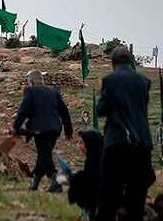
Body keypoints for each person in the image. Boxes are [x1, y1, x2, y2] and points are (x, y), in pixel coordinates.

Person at [95, 47, 154, 221]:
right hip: (142, 141)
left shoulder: (110, 80)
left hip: (118, 142)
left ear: (113, 63)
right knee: (137, 192)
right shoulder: (145, 81)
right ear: (131, 61)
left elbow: (101, 110)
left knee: (110, 188)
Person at [12, 69, 73, 192]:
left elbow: (24, 109)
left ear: (33, 81)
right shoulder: (54, 92)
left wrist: (15, 127)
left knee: (44, 155)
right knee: (43, 154)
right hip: (55, 128)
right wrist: (68, 130)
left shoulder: (30, 91)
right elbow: (64, 110)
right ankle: (34, 183)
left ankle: (55, 180)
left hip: (40, 129)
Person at [66, 130, 103, 221]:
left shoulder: (99, 158)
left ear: (90, 144)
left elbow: (92, 176)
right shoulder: (93, 157)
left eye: (82, 143)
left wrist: (71, 178)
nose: (79, 146)